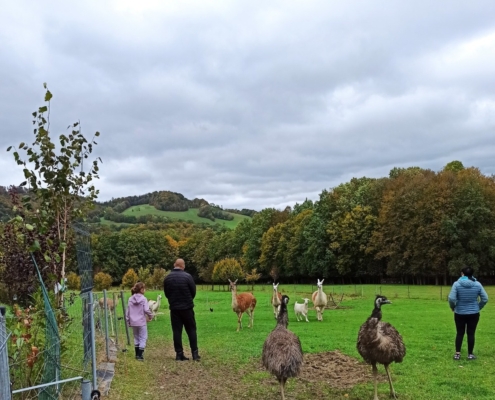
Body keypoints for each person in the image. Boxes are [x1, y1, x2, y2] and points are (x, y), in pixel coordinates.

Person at [163, 258, 200, 361]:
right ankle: (195, 353)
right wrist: (187, 300)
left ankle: (179, 354)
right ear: (183, 266)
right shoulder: (188, 277)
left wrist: (174, 301)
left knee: (177, 331)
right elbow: (193, 292)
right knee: (191, 330)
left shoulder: (167, 278)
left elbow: (167, 293)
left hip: (174, 308)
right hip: (187, 307)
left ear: (175, 264)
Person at [448, 266, 488, 360]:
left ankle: (457, 354)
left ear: (462, 273)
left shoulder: (456, 284)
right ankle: (470, 354)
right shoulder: (477, 284)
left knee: (460, 333)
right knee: (471, 333)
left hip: (460, 313)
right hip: (473, 313)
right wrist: (478, 307)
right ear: (472, 274)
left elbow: (452, 298)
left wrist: (453, 307)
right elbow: (485, 298)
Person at [126, 282, 154, 361]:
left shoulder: (130, 299)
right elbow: (146, 309)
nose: (145, 290)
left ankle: (137, 354)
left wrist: (128, 321)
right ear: (141, 289)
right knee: (143, 337)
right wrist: (150, 316)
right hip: (141, 321)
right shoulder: (143, 298)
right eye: (144, 288)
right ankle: (140, 355)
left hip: (133, 322)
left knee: (136, 337)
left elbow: (128, 311)